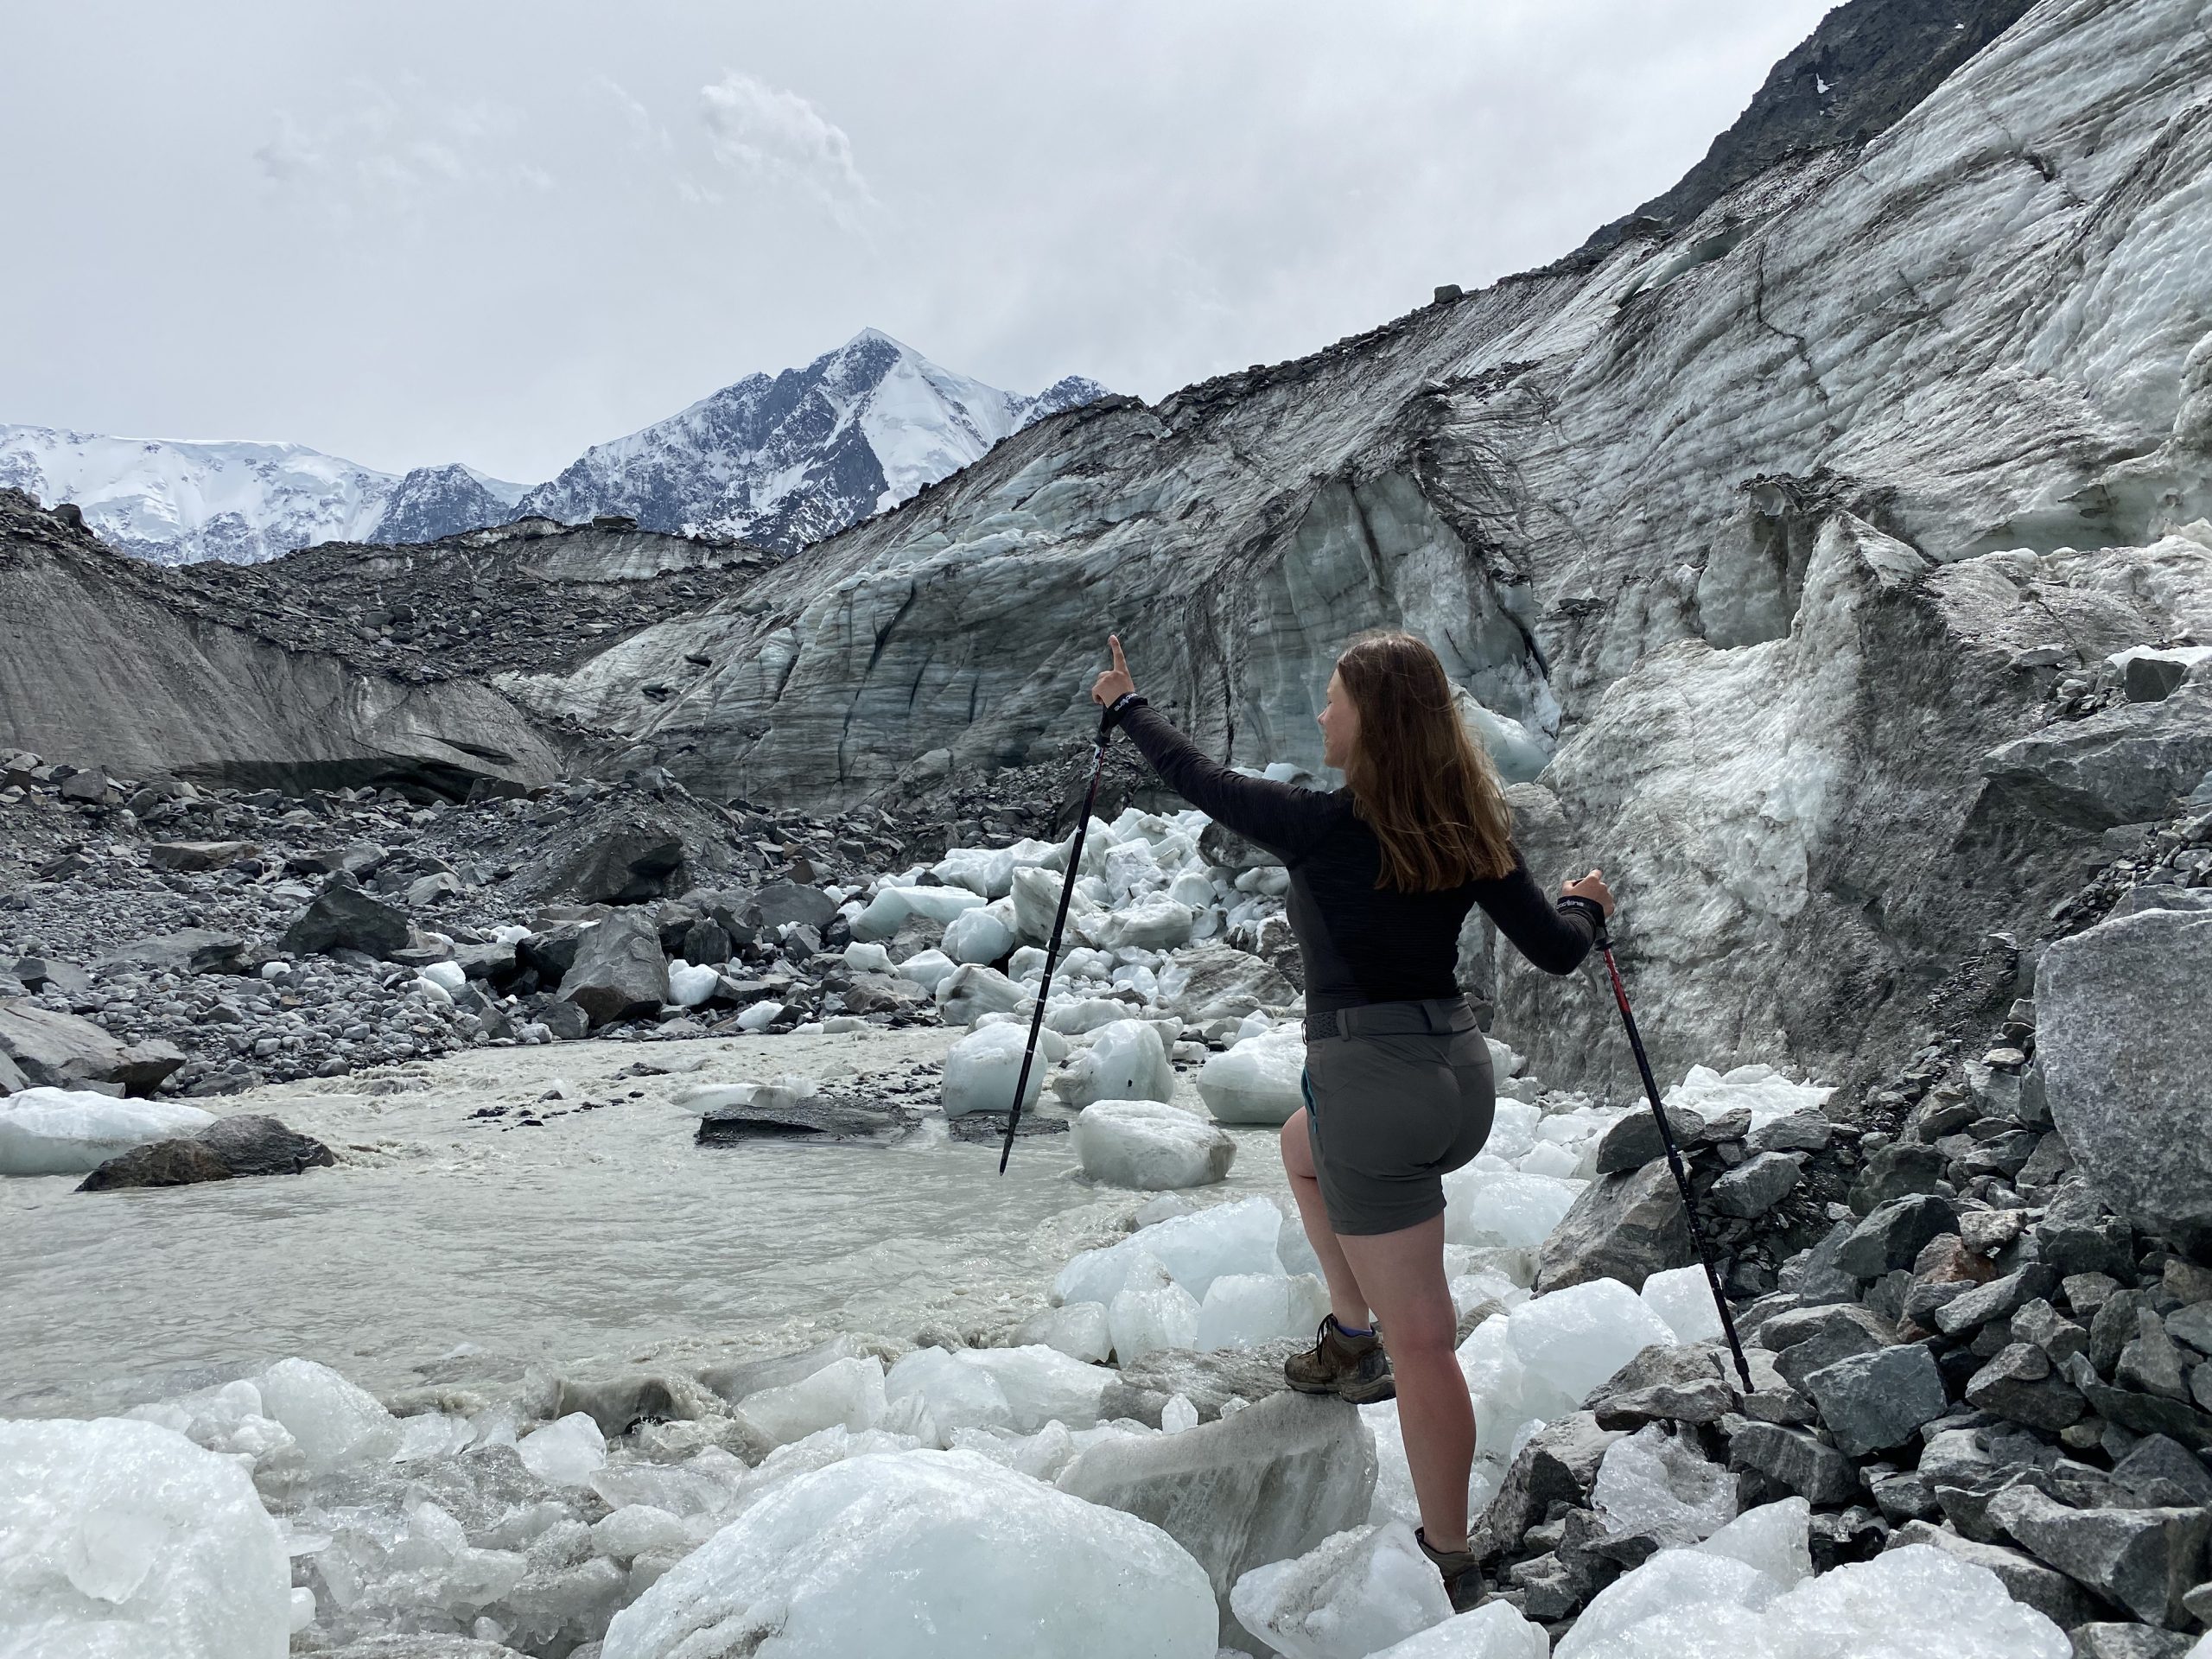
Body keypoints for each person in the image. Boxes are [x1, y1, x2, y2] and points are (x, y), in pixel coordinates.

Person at [1090, 628, 1613, 1611]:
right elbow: (1554, 948)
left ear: (1371, 720)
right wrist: (1589, 909)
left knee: (1426, 1342)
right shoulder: (1469, 827)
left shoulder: (1320, 824)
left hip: (1373, 1088)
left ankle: (1451, 1559)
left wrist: (1125, 705)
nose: (1322, 716)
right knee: (1298, 1145)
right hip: (1456, 1078)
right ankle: (1346, 1333)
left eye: (1334, 700)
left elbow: (1198, 776)